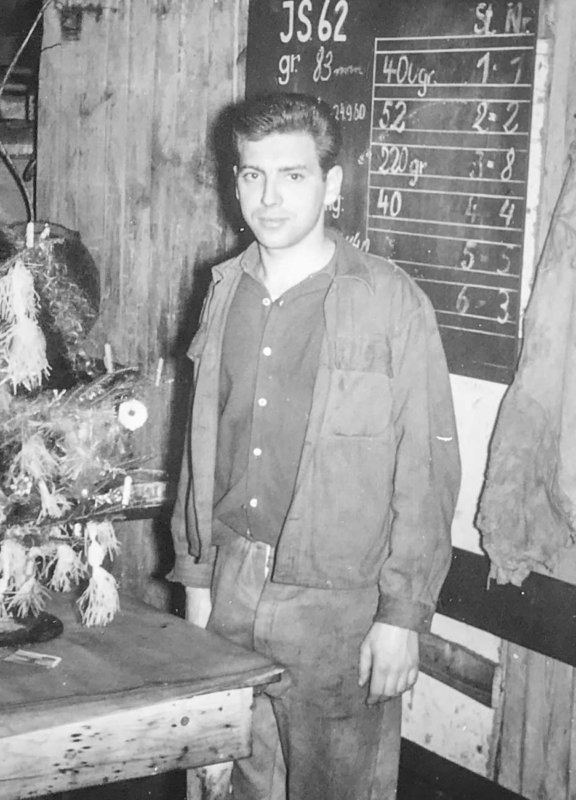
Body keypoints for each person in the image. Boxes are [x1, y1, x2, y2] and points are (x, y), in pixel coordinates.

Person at [168, 93, 461, 799]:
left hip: (339, 608)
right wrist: (197, 587)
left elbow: (425, 469)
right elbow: (200, 451)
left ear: (332, 185)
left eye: (293, 175)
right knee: (224, 787)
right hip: (231, 582)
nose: (268, 197)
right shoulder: (221, 292)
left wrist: (401, 618)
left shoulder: (391, 302)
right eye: (252, 175)